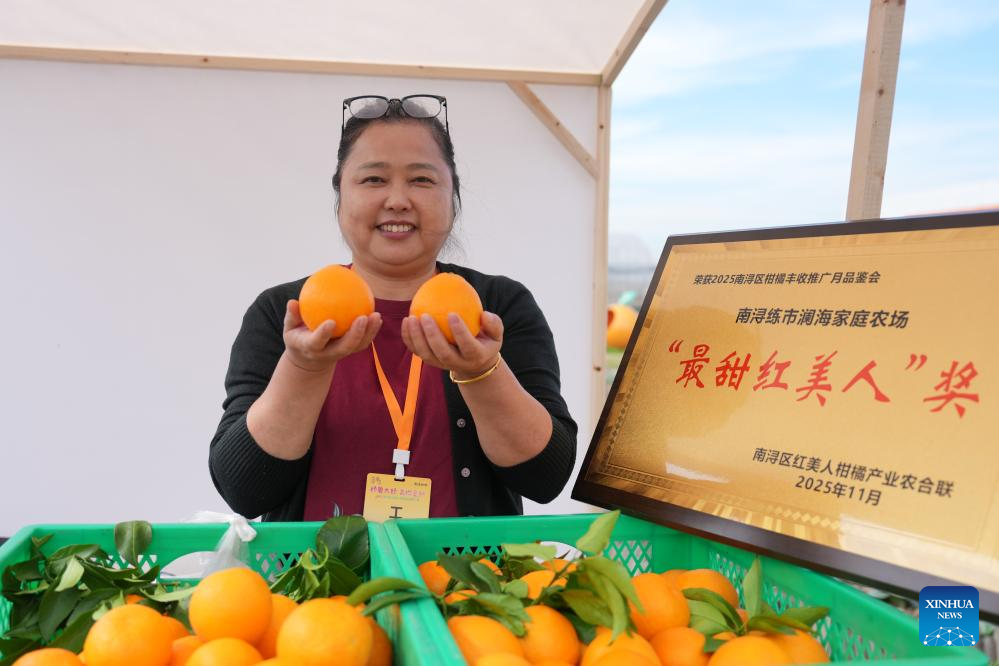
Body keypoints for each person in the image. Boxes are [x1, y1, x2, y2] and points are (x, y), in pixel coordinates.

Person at [209, 94, 577, 521]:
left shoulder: (497, 306)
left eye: (421, 180)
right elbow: (244, 489)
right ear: (340, 196)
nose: (398, 199)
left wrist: (482, 372)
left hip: (466, 584)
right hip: (316, 584)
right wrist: (303, 367)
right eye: (373, 180)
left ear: (452, 195)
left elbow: (545, 478)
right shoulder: (285, 311)